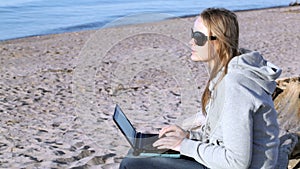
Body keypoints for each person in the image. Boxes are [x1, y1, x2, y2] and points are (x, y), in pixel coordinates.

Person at [119, 7, 281, 169]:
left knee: (131, 162)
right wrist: (188, 136)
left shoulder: (235, 84)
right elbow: (221, 137)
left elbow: (236, 162)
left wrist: (183, 145)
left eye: (198, 37)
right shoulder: (224, 75)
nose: (191, 42)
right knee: (136, 153)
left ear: (218, 42)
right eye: (192, 34)